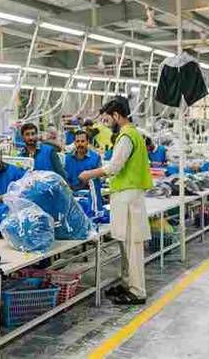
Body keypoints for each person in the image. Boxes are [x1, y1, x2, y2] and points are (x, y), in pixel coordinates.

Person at [79, 96, 153, 305]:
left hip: (129, 197)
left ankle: (137, 291)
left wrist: (89, 174)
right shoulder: (130, 134)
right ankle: (127, 283)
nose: (106, 124)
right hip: (125, 195)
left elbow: (114, 167)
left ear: (116, 115)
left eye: (107, 119)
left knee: (132, 246)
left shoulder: (127, 136)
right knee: (125, 243)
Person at [64, 131, 104, 210]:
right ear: (74, 143)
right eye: (77, 141)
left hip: (90, 198)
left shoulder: (95, 158)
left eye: (82, 141)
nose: (80, 144)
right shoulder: (68, 158)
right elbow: (65, 179)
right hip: (72, 198)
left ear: (87, 142)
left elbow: (99, 179)